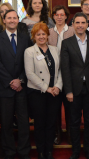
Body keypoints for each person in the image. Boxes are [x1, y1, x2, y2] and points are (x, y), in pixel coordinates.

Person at [0, 9, 33, 159]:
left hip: (22, 87)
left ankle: (24, 151)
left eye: (14, 18)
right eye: (9, 18)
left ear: (18, 20)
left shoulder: (25, 38)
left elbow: (29, 62)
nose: (12, 20)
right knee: (6, 122)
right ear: (4, 20)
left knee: (23, 122)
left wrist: (20, 80)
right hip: (4, 88)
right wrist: (10, 81)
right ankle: (8, 151)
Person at [61, 12, 89, 159]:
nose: (80, 25)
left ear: (87, 25)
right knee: (74, 121)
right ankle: (75, 150)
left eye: (83, 23)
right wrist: (68, 90)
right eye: (77, 23)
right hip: (74, 90)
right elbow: (65, 68)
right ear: (73, 25)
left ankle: (88, 150)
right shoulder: (66, 43)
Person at [24, 22, 62, 159]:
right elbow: (30, 74)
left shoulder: (55, 49)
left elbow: (60, 71)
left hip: (55, 93)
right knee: (40, 123)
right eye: (38, 34)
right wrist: (47, 88)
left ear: (47, 35)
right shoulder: (29, 51)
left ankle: (49, 150)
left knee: (51, 123)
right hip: (37, 93)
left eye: (43, 34)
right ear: (34, 36)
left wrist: (57, 86)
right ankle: (40, 151)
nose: (41, 37)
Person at [48, 5, 75, 145]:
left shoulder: (73, 30)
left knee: (70, 107)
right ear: (53, 16)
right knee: (55, 108)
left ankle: (71, 134)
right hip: (53, 75)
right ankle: (57, 134)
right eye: (56, 14)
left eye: (62, 14)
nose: (59, 17)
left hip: (70, 73)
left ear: (66, 16)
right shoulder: (48, 32)